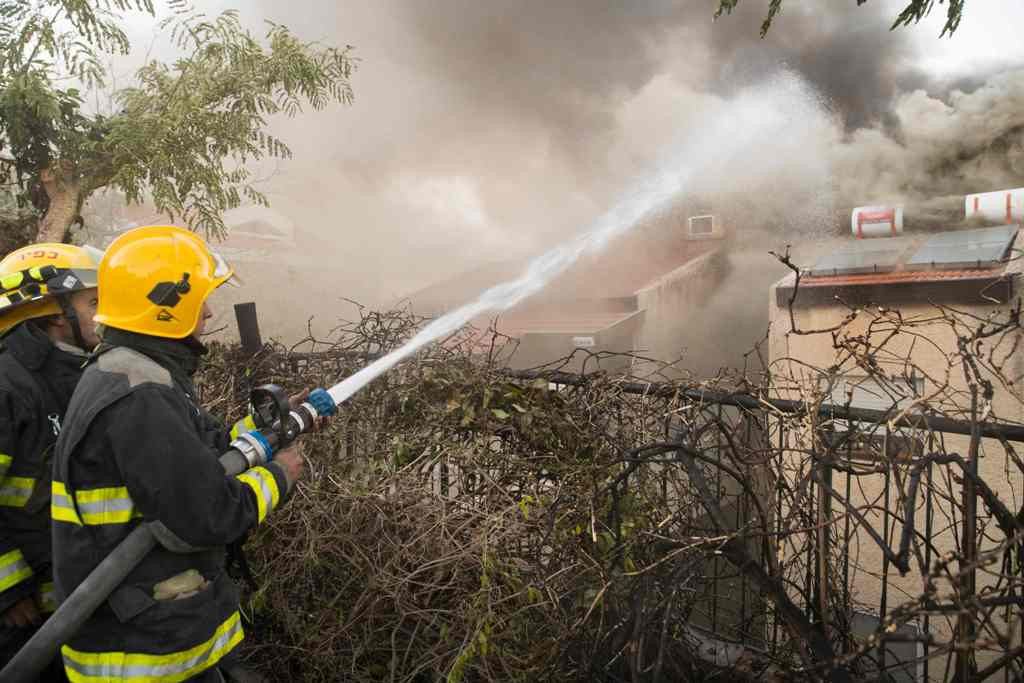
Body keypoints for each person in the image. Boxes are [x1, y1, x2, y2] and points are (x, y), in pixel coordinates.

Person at [51, 225, 306, 682]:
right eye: (198, 301)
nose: (207, 313)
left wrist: (265, 431)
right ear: (168, 307)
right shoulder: (140, 395)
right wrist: (280, 476)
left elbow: (197, 453)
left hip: (148, 626)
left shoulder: (134, 372)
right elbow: (204, 515)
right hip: (142, 651)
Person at [0, 242, 103, 681]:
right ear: (56, 313)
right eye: (93, 302)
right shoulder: (9, 386)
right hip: (20, 616)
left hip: (69, 596)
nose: (104, 314)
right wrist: (8, 591)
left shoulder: (81, 372)